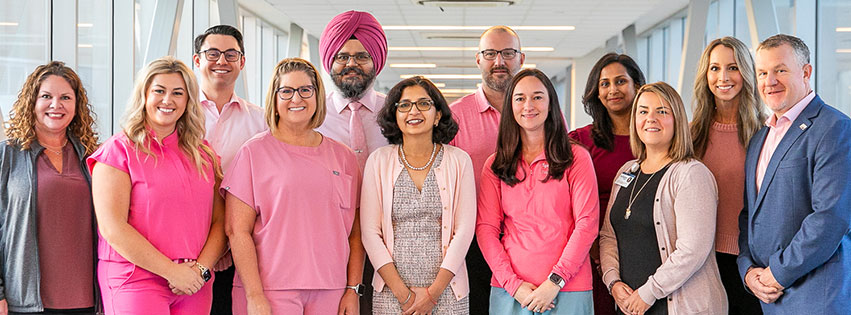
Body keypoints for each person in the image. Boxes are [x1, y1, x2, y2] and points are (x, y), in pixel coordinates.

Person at [223, 58, 362, 315]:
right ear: (274, 99)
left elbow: (355, 233)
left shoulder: (344, 157)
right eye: (286, 91)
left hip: (331, 289)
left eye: (305, 90)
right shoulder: (253, 153)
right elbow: (236, 230)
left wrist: (352, 289)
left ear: (317, 96)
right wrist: (254, 295)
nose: (296, 99)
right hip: (270, 289)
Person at [89, 56, 227, 314]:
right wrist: (171, 272)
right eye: (159, 91)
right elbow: (112, 227)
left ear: (188, 101)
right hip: (134, 279)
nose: (168, 100)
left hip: (193, 283)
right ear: (144, 95)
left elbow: (220, 222)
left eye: (178, 93)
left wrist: (200, 270)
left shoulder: (205, 155)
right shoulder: (118, 151)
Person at [738, 34, 851, 314]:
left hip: (816, 297)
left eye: (780, 70)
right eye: (763, 72)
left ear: (806, 72)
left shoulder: (835, 128)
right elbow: (749, 214)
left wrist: (776, 273)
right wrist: (748, 270)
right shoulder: (759, 138)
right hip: (769, 296)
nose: (769, 81)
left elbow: (830, 218)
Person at [599, 82, 727, 315]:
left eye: (662, 111)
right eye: (643, 111)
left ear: (677, 119)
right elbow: (608, 235)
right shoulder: (627, 171)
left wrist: (648, 293)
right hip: (630, 305)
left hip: (679, 306)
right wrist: (613, 283)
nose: (651, 118)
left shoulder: (691, 174)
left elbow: (692, 250)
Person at [477, 69, 598, 314]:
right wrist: (514, 285)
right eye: (520, 98)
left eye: (538, 97)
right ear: (510, 106)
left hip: (568, 288)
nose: (528, 105)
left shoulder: (576, 157)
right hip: (511, 290)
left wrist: (556, 281)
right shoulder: (495, 164)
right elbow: (486, 230)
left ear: (551, 103)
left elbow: (587, 224)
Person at [361, 76, 475, 315]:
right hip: (392, 292)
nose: (413, 111)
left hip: (447, 291)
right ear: (395, 116)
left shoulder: (458, 160)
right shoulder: (379, 161)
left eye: (424, 103)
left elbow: (464, 231)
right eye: (404, 105)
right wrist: (405, 296)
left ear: (438, 114)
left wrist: (432, 294)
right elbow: (370, 233)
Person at [0, 61, 100, 314]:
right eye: (46, 96)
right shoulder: (7, 156)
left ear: (77, 106)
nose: (56, 105)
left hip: (87, 298)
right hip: (25, 300)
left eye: (65, 97)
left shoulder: (94, 157)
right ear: (31, 102)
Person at [448, 25, 525, 313]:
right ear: (478, 59)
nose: (499, 62)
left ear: (522, 58)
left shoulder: (542, 114)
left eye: (508, 53)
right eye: (490, 53)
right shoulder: (455, 117)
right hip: (474, 246)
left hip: (531, 242)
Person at [316, 11, 389, 313]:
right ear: (329, 60)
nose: (351, 65)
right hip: (327, 242)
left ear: (376, 61)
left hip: (388, 243)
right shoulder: (312, 115)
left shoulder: (396, 111)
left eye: (362, 57)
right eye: (342, 56)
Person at [193, 24, 267, 315]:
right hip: (183, 250)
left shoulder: (261, 122)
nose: (221, 61)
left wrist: (225, 246)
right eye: (213, 53)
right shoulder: (177, 115)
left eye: (230, 54)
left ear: (242, 62)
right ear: (197, 60)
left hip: (241, 251)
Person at [690, 36, 764, 315]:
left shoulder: (765, 132)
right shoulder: (690, 133)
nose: (723, 77)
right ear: (705, 74)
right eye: (715, 68)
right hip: (699, 260)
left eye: (732, 68)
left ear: (746, 72)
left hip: (748, 261)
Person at [568, 52, 645, 315]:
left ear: (637, 85)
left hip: (644, 254)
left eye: (621, 81)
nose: (613, 89)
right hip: (592, 256)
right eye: (604, 83)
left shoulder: (654, 139)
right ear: (596, 92)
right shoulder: (578, 142)